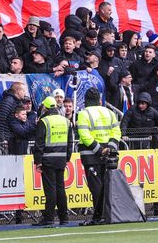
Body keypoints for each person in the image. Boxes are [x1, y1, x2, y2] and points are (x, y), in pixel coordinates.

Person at [77, 87, 120, 226]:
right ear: (99, 100)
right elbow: (116, 132)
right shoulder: (109, 112)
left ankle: (99, 216)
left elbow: (84, 134)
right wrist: (110, 148)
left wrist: (99, 149)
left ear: (86, 101)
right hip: (108, 153)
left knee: (96, 187)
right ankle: (108, 214)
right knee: (107, 186)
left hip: (91, 155)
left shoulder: (83, 113)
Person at [32, 96, 73, 226]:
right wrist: (67, 158)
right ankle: (64, 217)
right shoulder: (65, 121)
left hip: (48, 159)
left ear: (46, 107)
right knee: (61, 188)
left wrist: (38, 161)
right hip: (61, 159)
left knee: (50, 190)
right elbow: (70, 142)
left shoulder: (44, 121)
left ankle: (49, 217)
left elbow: (39, 144)